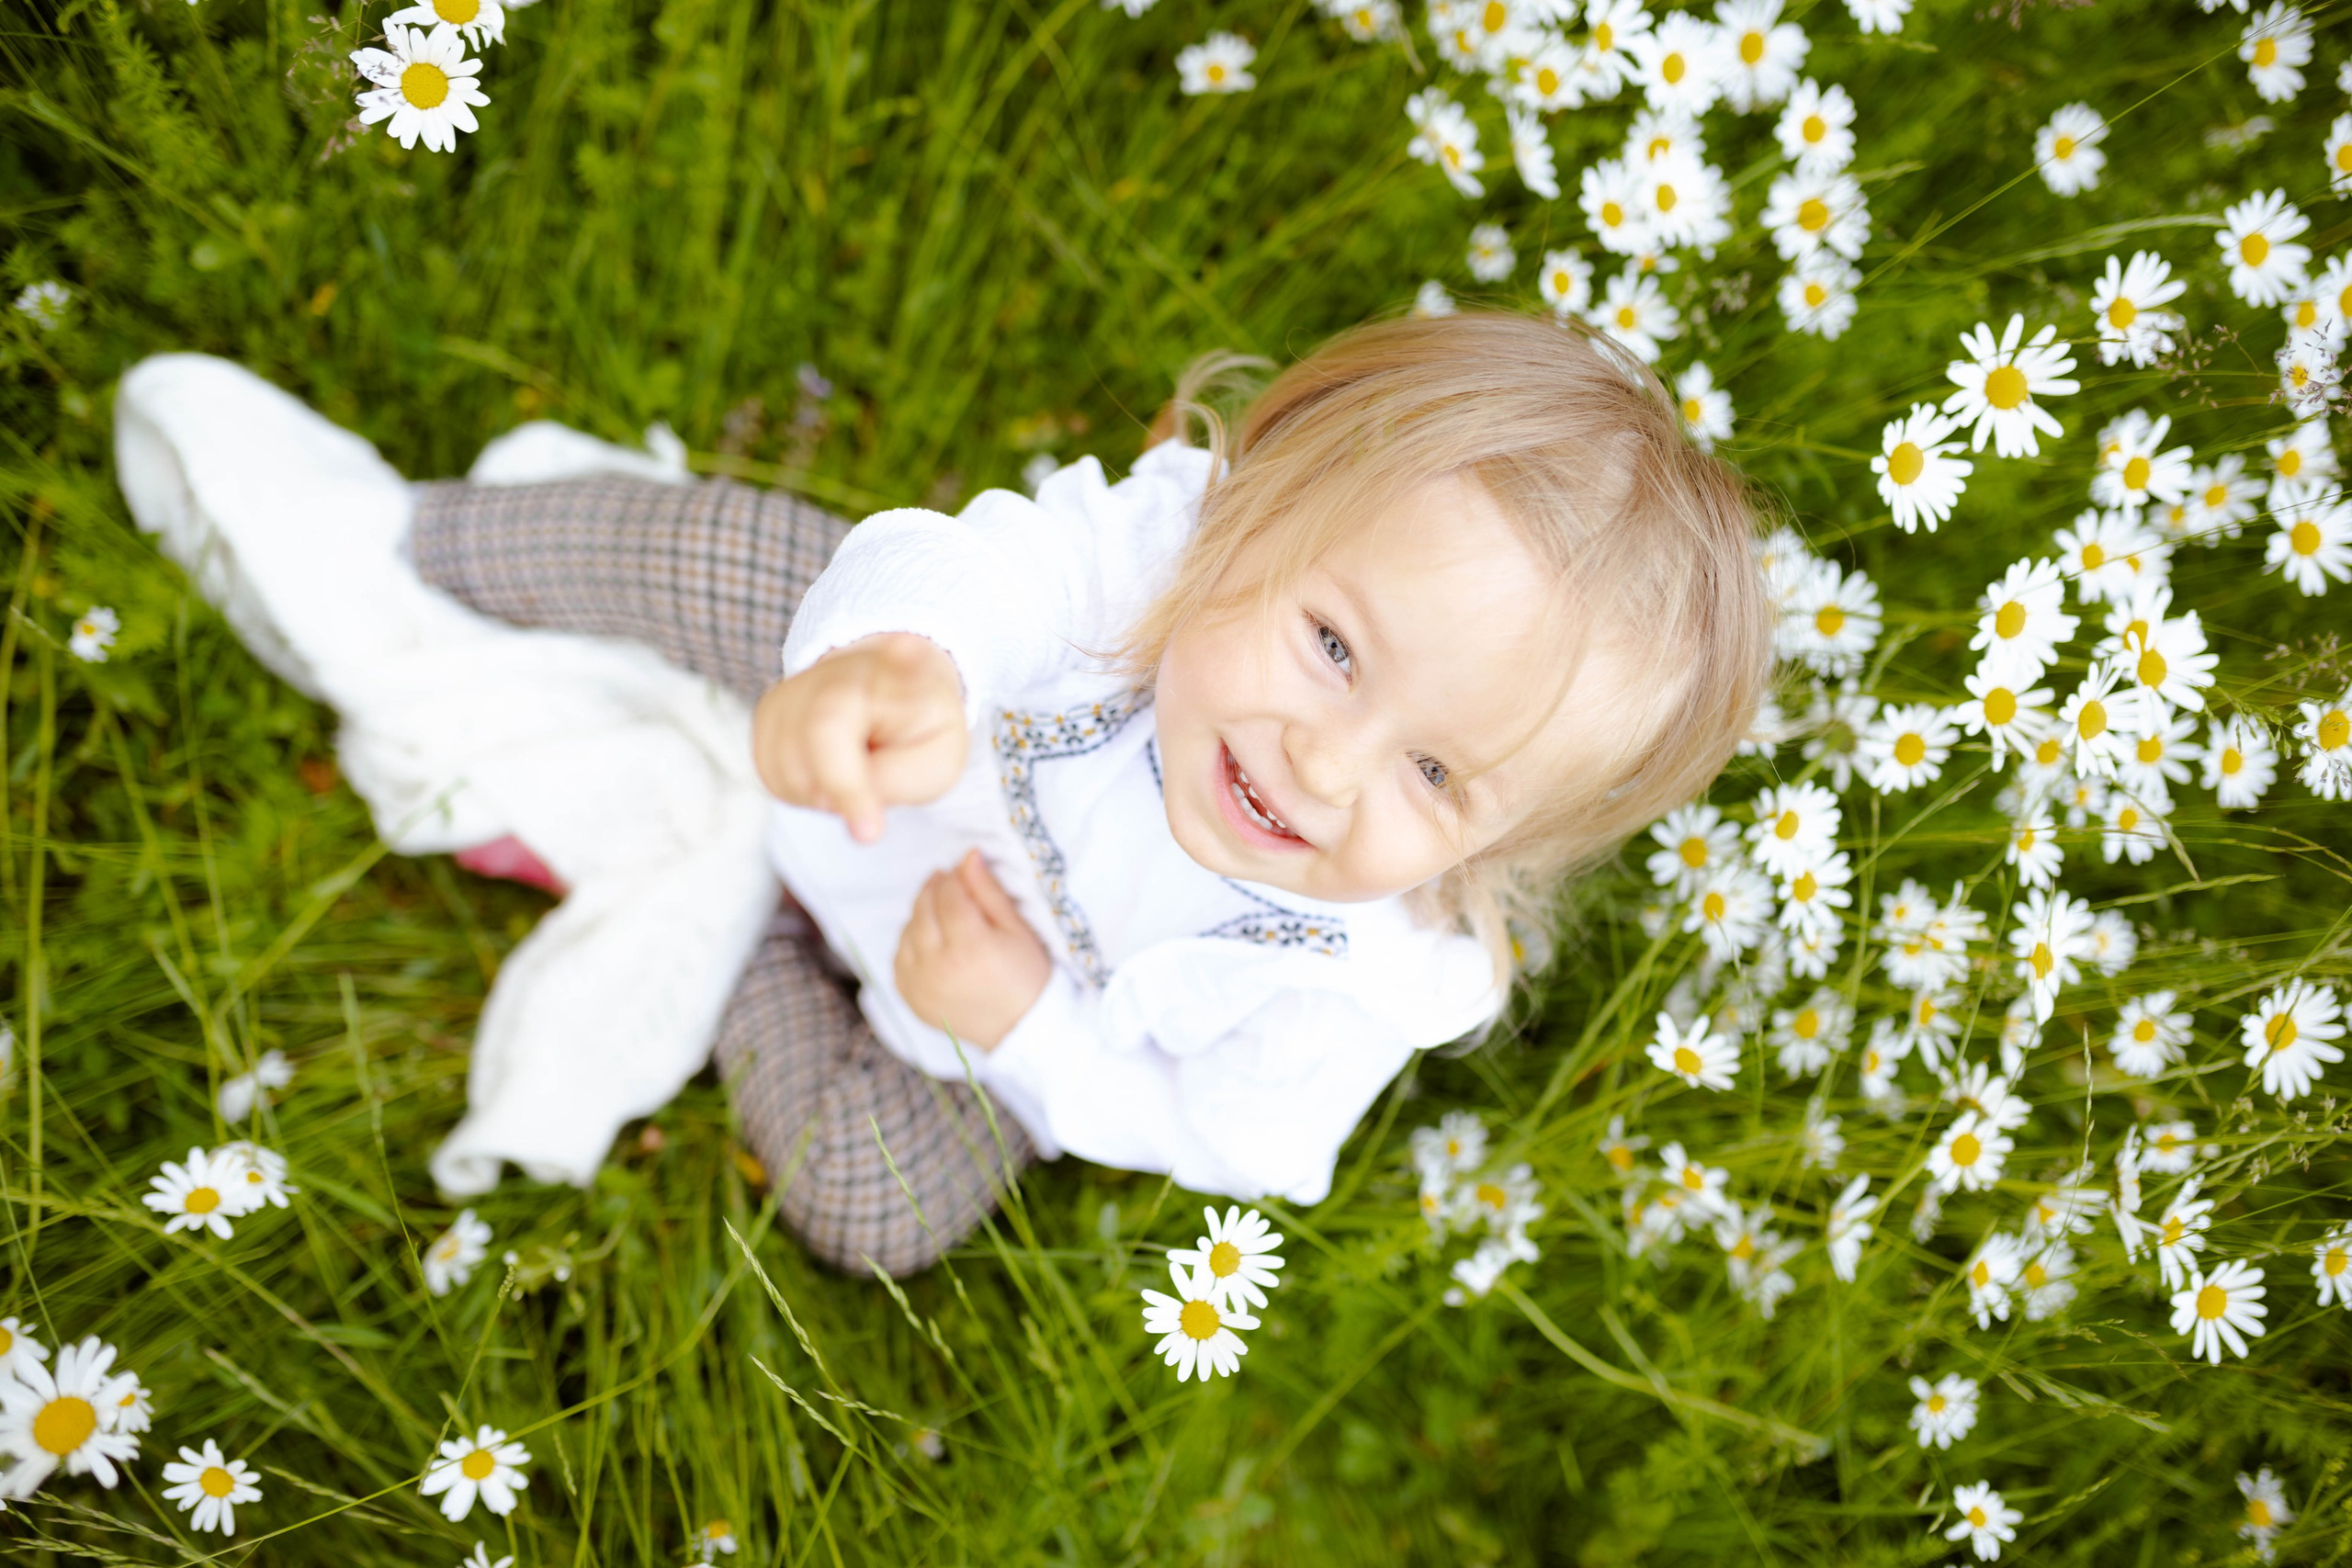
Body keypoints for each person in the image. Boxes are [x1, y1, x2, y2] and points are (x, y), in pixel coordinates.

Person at [116, 310, 1772, 1277]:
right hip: (908, 747)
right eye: (1336, 646)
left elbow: (1223, 1143)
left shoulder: (1359, 977)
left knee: (874, 1204)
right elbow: (994, 569)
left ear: (1509, 842)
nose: (1323, 768)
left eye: (1438, 773)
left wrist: (1022, 1025)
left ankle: (745, 932)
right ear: (1250, 511)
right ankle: (413, 548)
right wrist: (904, 660)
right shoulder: (1149, 568)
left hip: (959, 1007)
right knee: (744, 557)